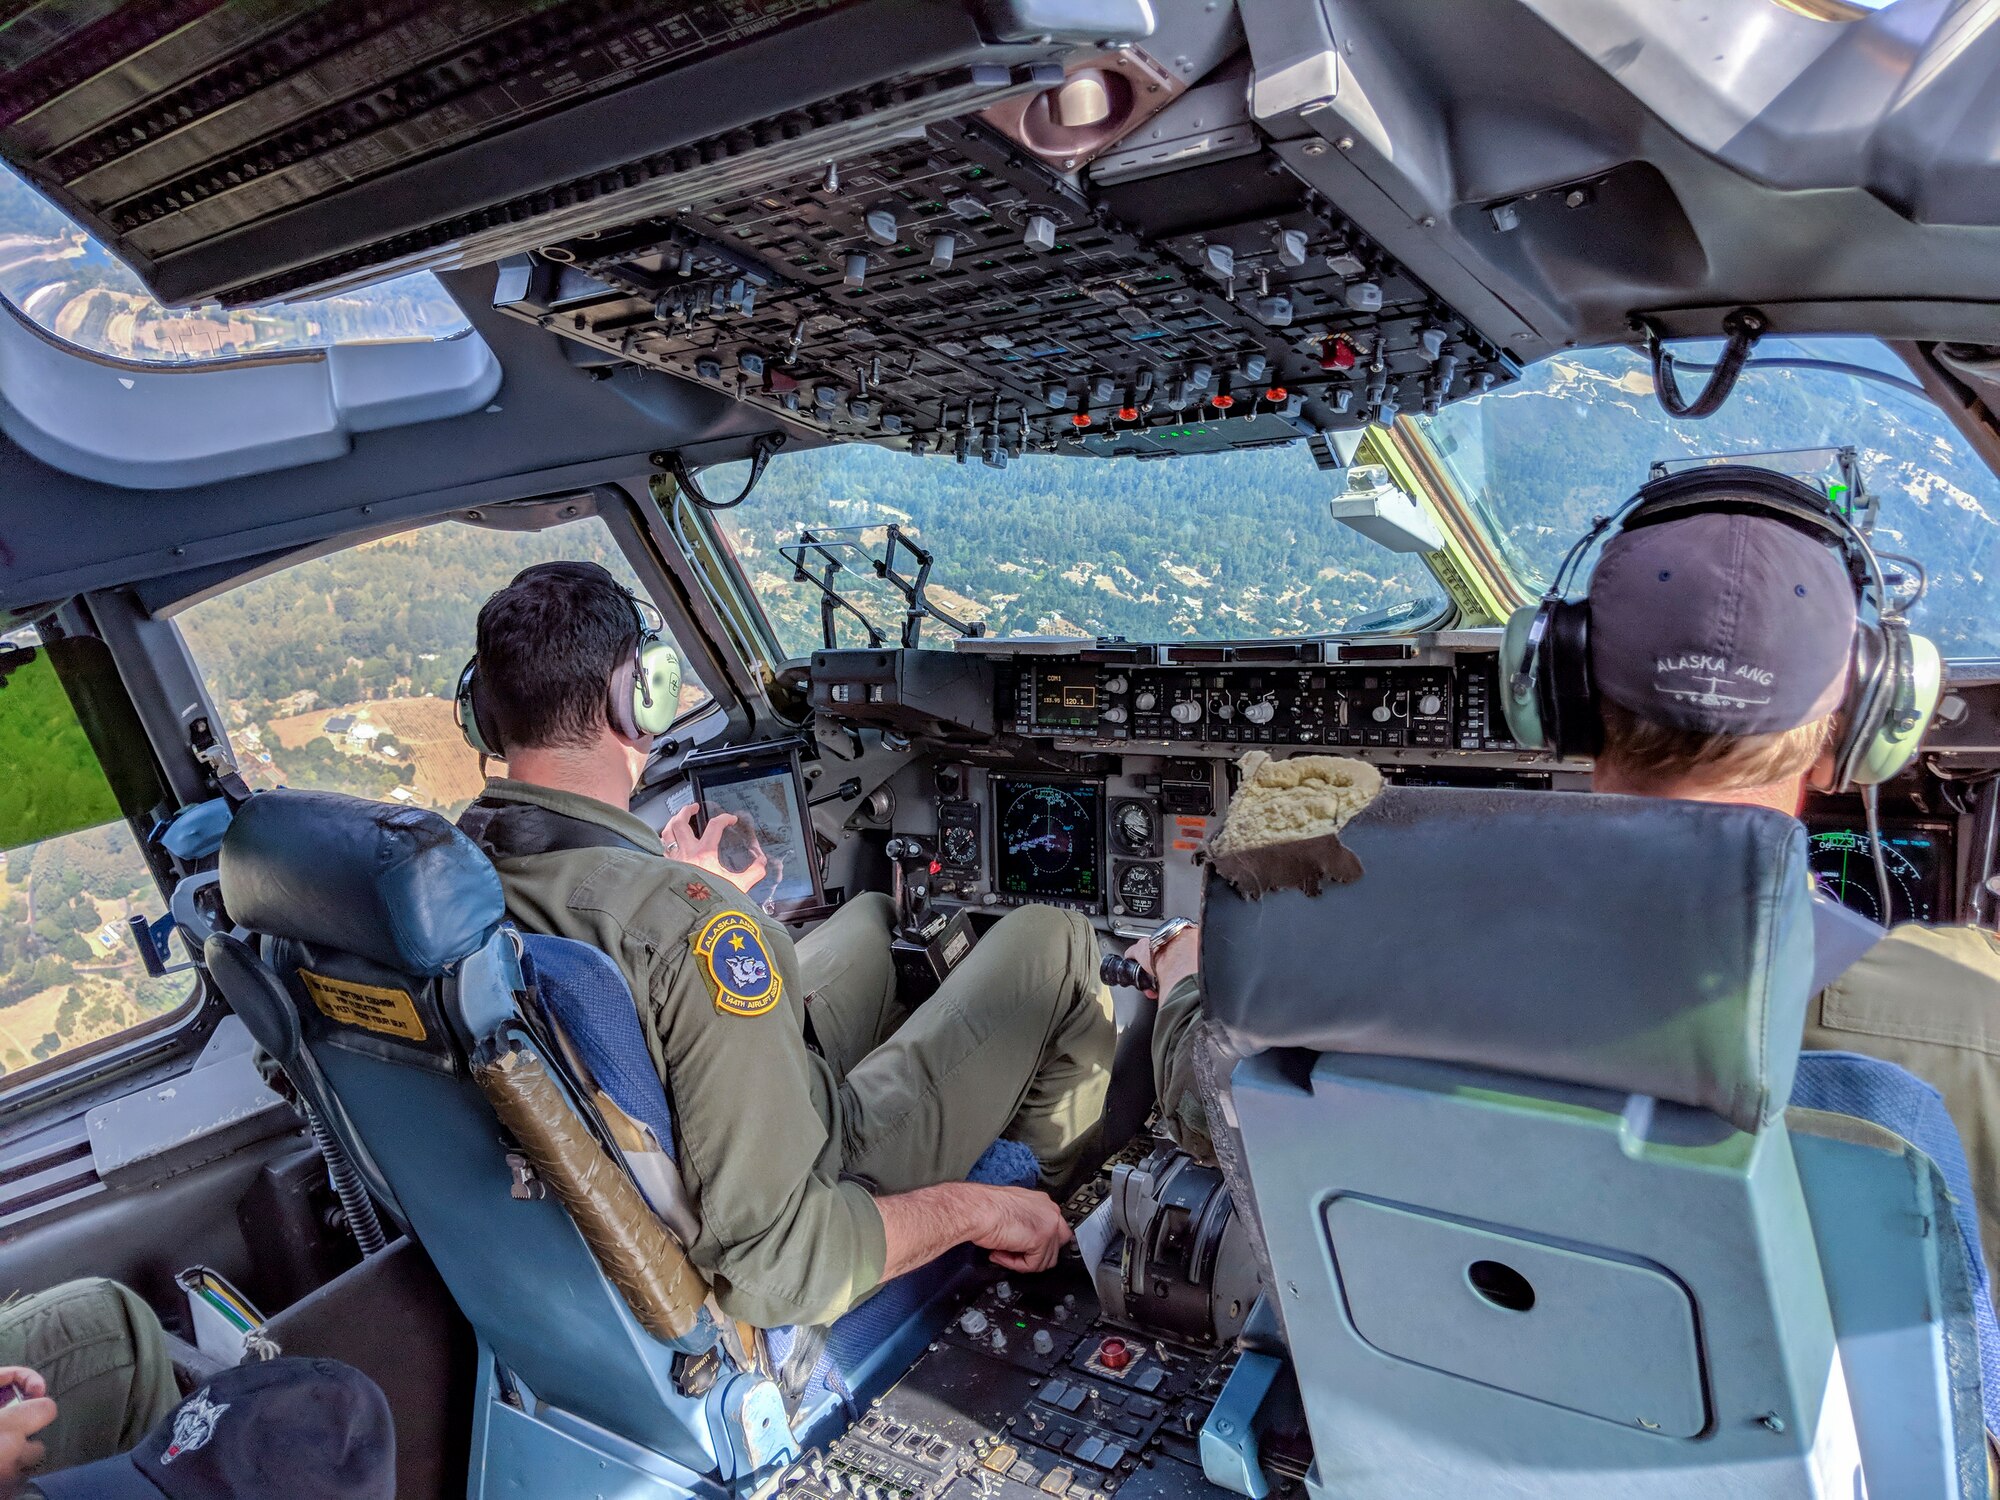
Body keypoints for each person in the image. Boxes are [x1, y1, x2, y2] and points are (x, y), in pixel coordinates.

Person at [1143, 481, 2000, 1280]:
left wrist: (1186, 982)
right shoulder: (1971, 1015)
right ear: (1861, 729)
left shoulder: (1361, 959)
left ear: (1556, 696)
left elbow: (1219, 1100)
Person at [456, 562, 1115, 1330]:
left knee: (872, 919)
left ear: (486, 713)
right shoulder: (695, 927)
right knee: (1055, 938)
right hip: (809, 1189)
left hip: (677, 1126)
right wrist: (979, 1206)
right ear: (637, 698)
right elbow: (776, 1267)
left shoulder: (460, 873)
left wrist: (679, 891)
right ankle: (1033, 1204)